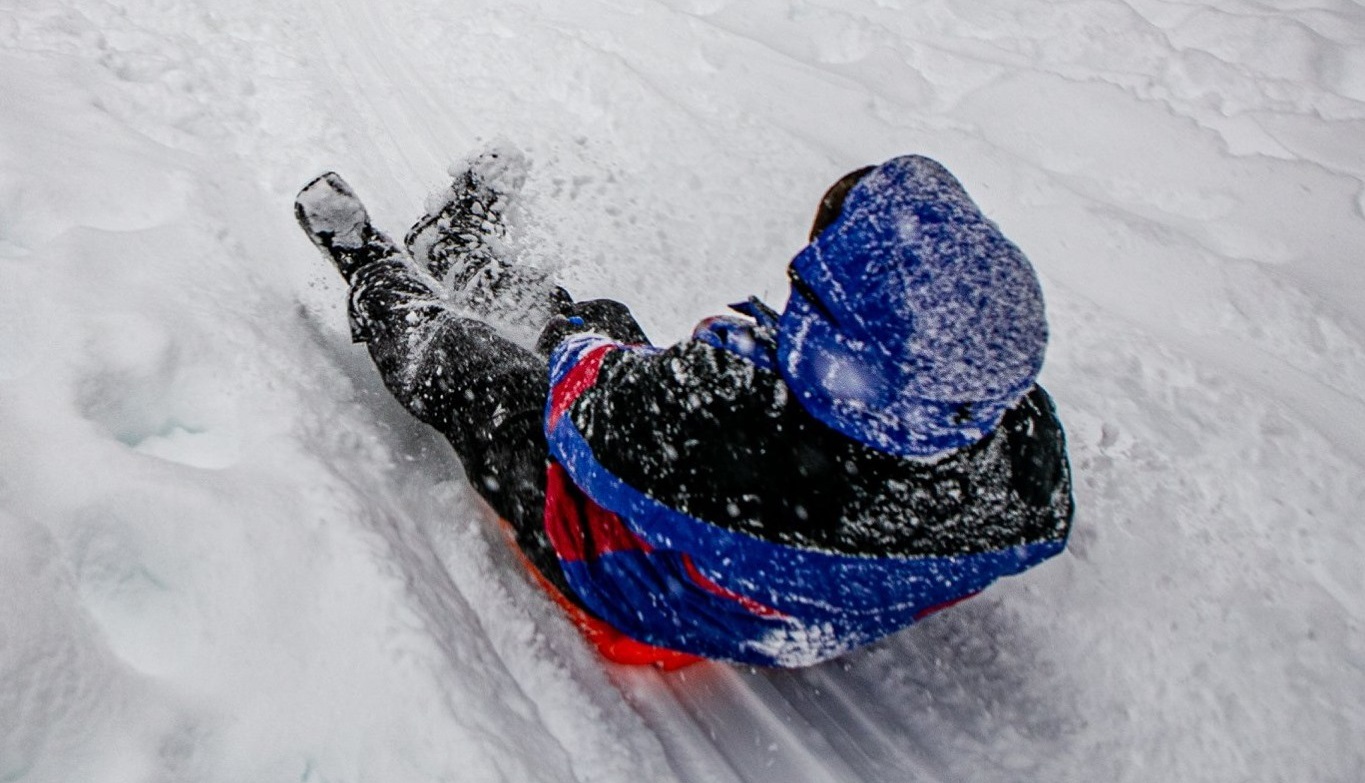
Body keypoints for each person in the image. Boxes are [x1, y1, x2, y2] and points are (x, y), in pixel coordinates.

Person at [294, 147, 1073, 669]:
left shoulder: (727, 413)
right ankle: (462, 252)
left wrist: (603, 345)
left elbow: (583, 405)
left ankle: (381, 273)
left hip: (628, 590)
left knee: (486, 369)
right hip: (780, 619)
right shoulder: (1025, 464)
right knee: (595, 326)